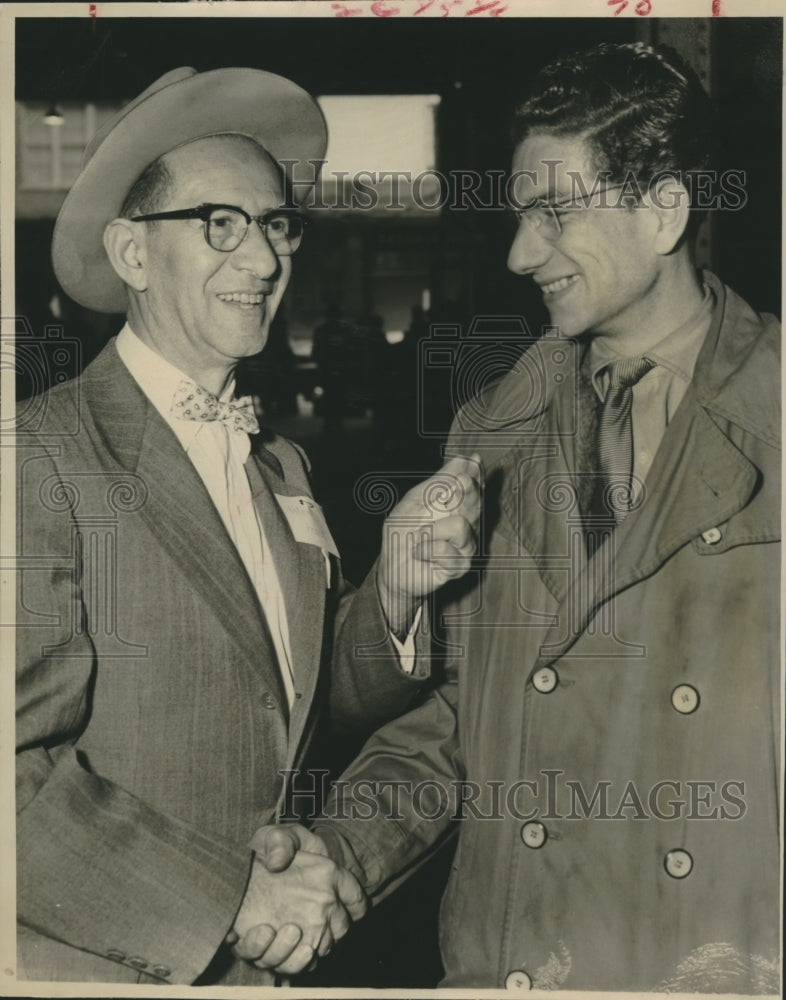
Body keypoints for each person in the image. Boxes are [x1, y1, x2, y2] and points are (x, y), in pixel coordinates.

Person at [253, 42, 781, 992]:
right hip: (518, 959)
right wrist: (340, 853)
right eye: (518, 215)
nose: (519, 253)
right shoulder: (492, 429)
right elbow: (459, 723)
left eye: (554, 214)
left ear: (663, 211)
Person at [14, 66, 481, 986]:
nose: (265, 261)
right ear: (133, 253)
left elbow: (297, 704)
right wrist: (229, 898)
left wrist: (391, 593)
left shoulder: (279, 467)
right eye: (219, 224)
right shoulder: (42, 454)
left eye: (276, 225)